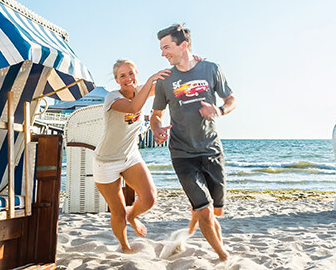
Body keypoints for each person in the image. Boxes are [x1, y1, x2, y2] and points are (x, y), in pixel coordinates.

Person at [150, 24, 236, 261]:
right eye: (161, 48)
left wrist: (219, 110)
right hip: (182, 153)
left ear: (183, 45)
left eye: (166, 47)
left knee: (215, 210)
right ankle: (223, 256)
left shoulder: (211, 69)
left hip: (211, 150)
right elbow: (155, 115)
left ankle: (194, 218)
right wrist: (157, 130)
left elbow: (231, 99)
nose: (162, 53)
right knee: (205, 211)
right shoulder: (165, 80)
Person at [95, 59, 170, 253]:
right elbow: (133, 108)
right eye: (122, 76)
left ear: (137, 74)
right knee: (117, 212)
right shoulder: (112, 98)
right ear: (117, 79)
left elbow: (168, 83)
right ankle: (125, 247)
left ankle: (133, 216)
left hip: (130, 156)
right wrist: (151, 81)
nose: (128, 79)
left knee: (150, 198)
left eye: (131, 73)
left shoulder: (141, 90)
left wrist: (190, 64)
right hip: (106, 162)